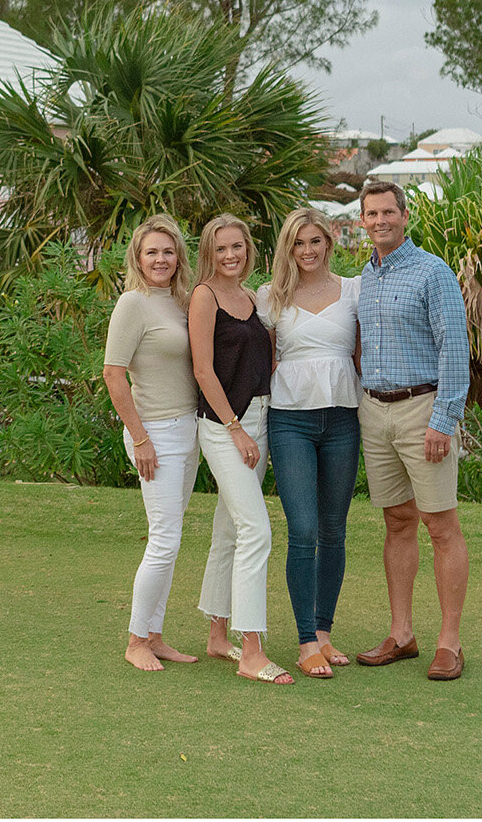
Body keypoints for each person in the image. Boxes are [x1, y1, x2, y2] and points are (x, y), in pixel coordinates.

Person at [350, 179, 472, 682]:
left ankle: (450, 643)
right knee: (397, 522)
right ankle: (402, 634)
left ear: (405, 215)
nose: (380, 221)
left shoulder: (433, 272)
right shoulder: (366, 275)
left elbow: (455, 350)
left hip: (423, 411)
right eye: (371, 214)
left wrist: (443, 419)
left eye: (388, 213)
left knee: (440, 526)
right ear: (362, 221)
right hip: (374, 413)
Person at [257, 206, 361, 681]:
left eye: (314, 241)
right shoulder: (271, 298)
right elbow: (268, 359)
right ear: (287, 248)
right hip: (291, 422)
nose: (307, 251)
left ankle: (323, 631)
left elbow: (359, 356)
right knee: (302, 529)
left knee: (333, 529)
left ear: (329, 242)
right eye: (297, 243)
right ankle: (304, 641)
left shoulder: (354, 291)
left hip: (343, 420)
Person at [186, 213, 291, 685]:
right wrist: (235, 428)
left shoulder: (252, 297)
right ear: (210, 251)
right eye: (222, 248)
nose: (231, 255)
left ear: (249, 249)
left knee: (229, 530)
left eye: (239, 247)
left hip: (261, 418)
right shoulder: (204, 297)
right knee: (256, 530)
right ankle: (251, 649)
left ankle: (216, 633)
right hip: (224, 426)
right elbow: (204, 371)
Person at [101, 214, 204, 672]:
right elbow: (113, 374)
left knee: (172, 537)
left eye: (168, 251)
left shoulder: (182, 301)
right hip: (155, 435)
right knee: (163, 539)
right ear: (138, 260)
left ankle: (156, 635)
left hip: (189, 431)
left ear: (178, 256)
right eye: (151, 253)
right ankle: (136, 640)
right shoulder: (133, 304)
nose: (160, 259)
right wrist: (140, 438)